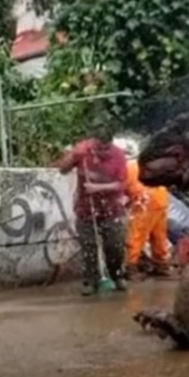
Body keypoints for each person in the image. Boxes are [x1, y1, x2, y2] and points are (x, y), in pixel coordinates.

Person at [56, 122, 128, 295]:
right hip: (85, 208)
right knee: (88, 246)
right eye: (98, 148)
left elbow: (121, 184)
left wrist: (98, 188)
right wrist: (73, 156)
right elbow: (62, 170)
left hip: (112, 208)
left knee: (114, 245)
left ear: (111, 144)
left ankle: (117, 275)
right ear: (92, 142)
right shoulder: (83, 151)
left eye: (105, 148)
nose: (100, 152)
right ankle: (90, 280)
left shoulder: (118, 155)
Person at [123, 155, 172, 279]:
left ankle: (131, 267)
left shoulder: (126, 168)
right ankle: (161, 265)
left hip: (145, 202)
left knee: (137, 236)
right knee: (159, 237)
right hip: (160, 199)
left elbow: (121, 189)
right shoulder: (145, 163)